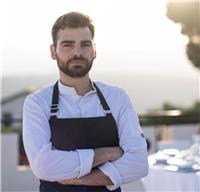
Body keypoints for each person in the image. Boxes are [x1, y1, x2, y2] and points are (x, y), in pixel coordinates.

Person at [23, 12, 148, 192]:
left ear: (94, 50)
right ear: (53, 51)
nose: (77, 52)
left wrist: (76, 179)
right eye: (68, 45)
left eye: (85, 44)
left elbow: (139, 164)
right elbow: (43, 167)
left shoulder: (117, 97)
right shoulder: (37, 103)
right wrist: (106, 153)